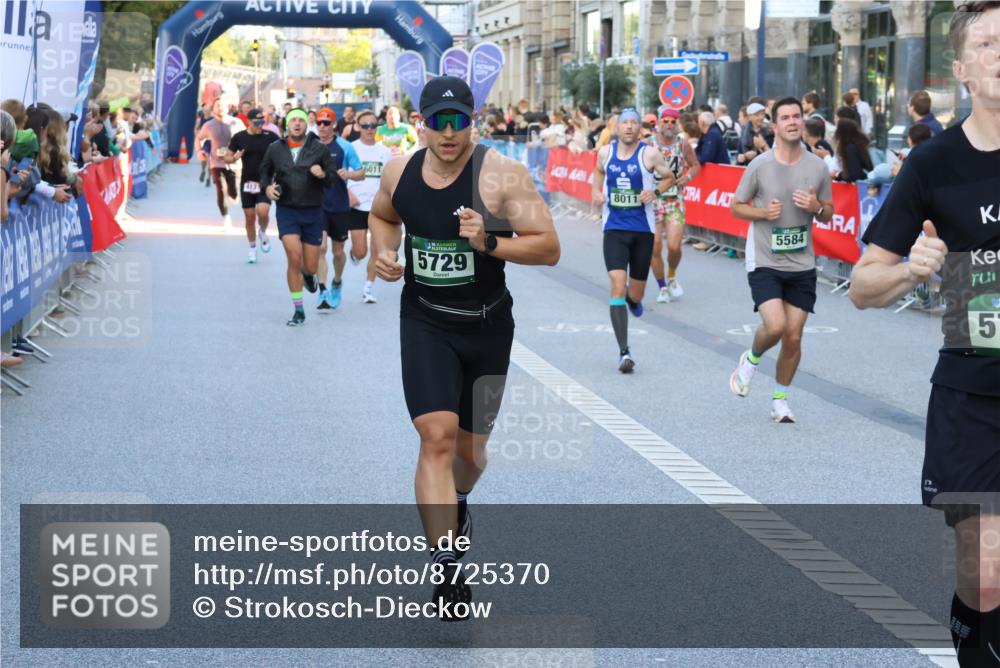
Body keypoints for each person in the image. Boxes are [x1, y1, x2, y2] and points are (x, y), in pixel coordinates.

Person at [368, 76, 559, 619]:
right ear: (420, 122)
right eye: (437, 122)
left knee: (470, 456)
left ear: (473, 120)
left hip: (487, 326)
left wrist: (489, 241)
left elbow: (548, 247)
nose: (448, 133)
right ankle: (448, 569)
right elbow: (382, 217)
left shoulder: (501, 175)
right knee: (437, 436)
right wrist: (383, 254)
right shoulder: (399, 171)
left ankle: (459, 502)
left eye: (459, 121)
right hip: (425, 322)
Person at [849, 5, 1000, 666]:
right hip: (974, 394)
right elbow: (861, 285)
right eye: (990, 42)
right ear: (962, 69)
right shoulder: (933, 165)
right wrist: (911, 270)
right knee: (984, 567)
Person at [729, 97, 835, 423]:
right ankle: (751, 358)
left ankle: (780, 399)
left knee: (793, 336)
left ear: (803, 122)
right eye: (785, 118)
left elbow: (829, 213)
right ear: (773, 126)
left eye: (796, 116)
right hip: (764, 259)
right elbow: (736, 205)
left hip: (802, 264)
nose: (792, 122)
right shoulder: (758, 165)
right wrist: (763, 213)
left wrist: (817, 206)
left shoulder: (817, 166)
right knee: (775, 326)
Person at [592, 108, 675, 373]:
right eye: (624, 123)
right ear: (617, 128)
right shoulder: (605, 152)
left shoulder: (649, 153)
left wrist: (655, 191)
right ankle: (624, 352)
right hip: (614, 228)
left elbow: (670, 177)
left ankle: (633, 299)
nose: (628, 127)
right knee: (617, 284)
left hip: (642, 230)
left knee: (635, 294)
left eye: (633, 123)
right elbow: (598, 172)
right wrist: (596, 192)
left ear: (640, 128)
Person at [258, 108, 338, 326]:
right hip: (287, 211)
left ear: (306, 125)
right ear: (287, 125)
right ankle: (298, 310)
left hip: (313, 211)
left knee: (310, 266)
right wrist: (266, 189)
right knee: (293, 256)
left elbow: (332, 177)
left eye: (301, 120)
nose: (297, 123)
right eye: (293, 120)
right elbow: (264, 172)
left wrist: (322, 174)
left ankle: (309, 275)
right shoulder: (276, 148)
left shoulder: (318, 148)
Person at [313, 107, 364, 309]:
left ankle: (337, 281)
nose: (322, 126)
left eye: (326, 123)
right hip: (317, 205)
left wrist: (349, 175)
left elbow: (361, 172)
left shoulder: (345, 146)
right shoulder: (311, 146)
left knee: (337, 252)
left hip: (339, 205)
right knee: (321, 247)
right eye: (319, 123)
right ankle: (323, 290)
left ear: (334, 124)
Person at [648, 107, 701, 303]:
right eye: (666, 121)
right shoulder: (648, 144)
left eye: (672, 121)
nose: (669, 124)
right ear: (659, 122)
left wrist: (687, 177)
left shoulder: (682, 144)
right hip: (652, 200)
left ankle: (671, 277)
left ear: (677, 124)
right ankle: (662, 287)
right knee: (654, 246)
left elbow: (695, 165)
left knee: (674, 246)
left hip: (674, 201)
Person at [348, 109, 393, 303]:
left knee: (376, 250)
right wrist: (348, 193)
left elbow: (390, 179)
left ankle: (368, 288)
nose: (369, 129)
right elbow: (339, 173)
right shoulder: (351, 148)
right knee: (361, 252)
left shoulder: (385, 151)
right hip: (356, 204)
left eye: (373, 125)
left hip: (377, 208)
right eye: (365, 125)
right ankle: (354, 253)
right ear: (358, 127)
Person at [226, 108, 281, 263]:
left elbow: (284, 151)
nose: (260, 125)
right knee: (250, 217)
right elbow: (227, 157)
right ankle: (252, 248)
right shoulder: (239, 137)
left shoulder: (270, 136)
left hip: (266, 181)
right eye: (256, 122)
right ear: (248, 122)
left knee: (263, 212)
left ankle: (262, 231)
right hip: (247, 182)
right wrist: (234, 158)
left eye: (262, 122)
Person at [196, 99, 243, 226]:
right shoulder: (209, 125)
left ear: (228, 107)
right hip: (216, 163)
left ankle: (233, 194)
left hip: (235, 163)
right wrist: (199, 151)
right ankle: (226, 215)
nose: (220, 107)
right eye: (217, 105)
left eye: (222, 105)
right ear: (214, 109)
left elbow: (246, 138)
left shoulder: (236, 122)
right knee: (221, 189)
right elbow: (199, 138)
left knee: (233, 193)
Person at [734, 102, 773, 166]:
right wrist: (743, 157)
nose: (761, 117)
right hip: (748, 168)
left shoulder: (769, 131)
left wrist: (756, 153)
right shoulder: (744, 131)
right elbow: (739, 153)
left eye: (762, 114)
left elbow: (773, 154)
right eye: (757, 115)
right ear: (749, 116)